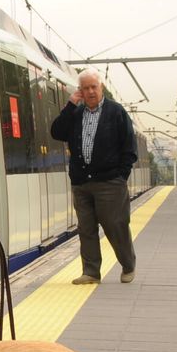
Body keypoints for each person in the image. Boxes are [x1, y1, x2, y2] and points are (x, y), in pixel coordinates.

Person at [50, 69, 138, 284]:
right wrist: (70, 105)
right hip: (81, 182)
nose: (90, 92)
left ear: (101, 88)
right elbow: (56, 132)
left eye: (93, 87)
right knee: (86, 228)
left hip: (110, 182)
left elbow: (129, 147)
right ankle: (90, 272)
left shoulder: (116, 112)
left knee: (115, 225)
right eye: (85, 88)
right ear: (80, 91)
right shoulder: (76, 114)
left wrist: (120, 176)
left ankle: (128, 265)